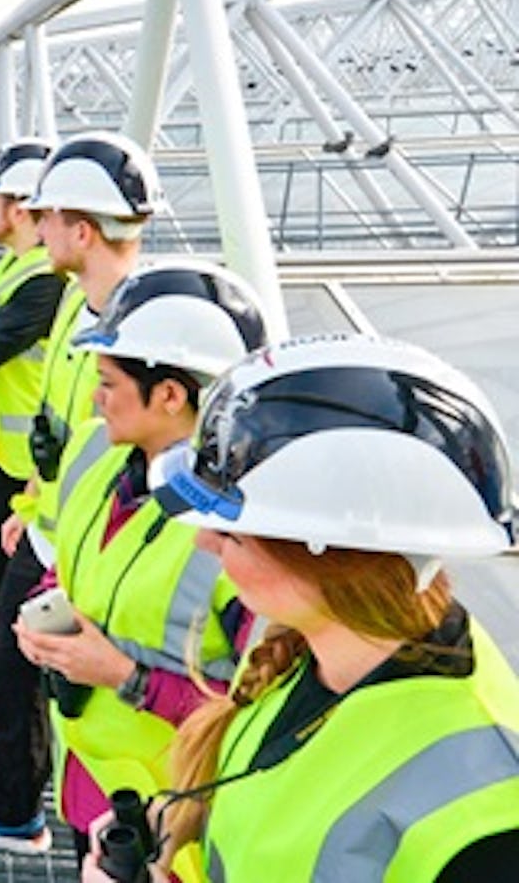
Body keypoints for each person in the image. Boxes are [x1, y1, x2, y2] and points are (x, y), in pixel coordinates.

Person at [83, 333, 519, 883]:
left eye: (232, 532)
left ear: (328, 555)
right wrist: (175, 817)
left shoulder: (492, 821)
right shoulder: (302, 650)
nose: (205, 543)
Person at [0, 133, 165, 855]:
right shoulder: (76, 304)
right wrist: (34, 502)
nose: (38, 223)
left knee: (38, 677)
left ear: (81, 228)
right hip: (59, 533)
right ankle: (32, 815)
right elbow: (63, 426)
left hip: (91, 552)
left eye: (47, 213)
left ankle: (28, 817)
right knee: (28, 672)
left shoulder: (143, 329)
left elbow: (128, 457)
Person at [11, 263, 271, 878]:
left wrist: (124, 676)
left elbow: (259, 720)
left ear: (171, 395)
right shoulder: (94, 451)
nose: (95, 397)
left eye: (107, 381)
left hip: (175, 824)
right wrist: (47, 613)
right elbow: (67, 560)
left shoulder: (251, 537)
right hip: (88, 779)